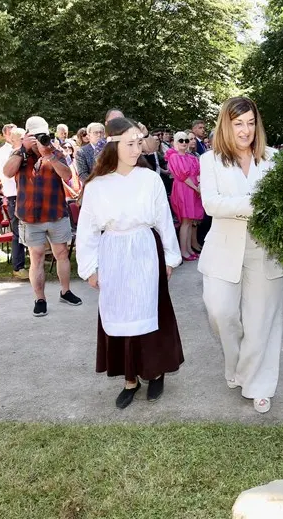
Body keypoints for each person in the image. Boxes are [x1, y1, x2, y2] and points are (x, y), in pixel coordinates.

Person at [77, 116, 183, 408]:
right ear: (113, 145)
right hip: (113, 253)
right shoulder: (97, 185)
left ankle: (155, 371)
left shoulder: (149, 179)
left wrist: (171, 257)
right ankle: (130, 378)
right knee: (119, 313)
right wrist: (89, 268)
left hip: (145, 250)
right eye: (130, 144)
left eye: (139, 143)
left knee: (150, 310)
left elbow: (163, 219)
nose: (137, 149)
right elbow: (87, 228)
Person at [199, 97, 283, 414]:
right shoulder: (210, 160)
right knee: (221, 312)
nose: (245, 130)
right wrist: (256, 205)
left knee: (261, 321)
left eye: (250, 122)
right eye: (238, 123)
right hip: (223, 247)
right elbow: (212, 204)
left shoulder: (273, 159)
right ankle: (236, 366)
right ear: (226, 125)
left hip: (266, 249)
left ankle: (259, 383)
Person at [3, 116, 83, 317]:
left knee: (62, 254)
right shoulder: (19, 153)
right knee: (36, 257)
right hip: (30, 216)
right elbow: (7, 172)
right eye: (35, 135)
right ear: (27, 135)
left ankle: (66, 291)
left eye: (43, 135)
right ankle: (40, 299)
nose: (40, 139)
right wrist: (23, 149)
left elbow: (67, 176)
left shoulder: (55, 151)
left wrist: (50, 155)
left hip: (55, 213)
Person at [165, 131, 204, 260]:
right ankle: (184, 251)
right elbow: (183, 176)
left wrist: (198, 185)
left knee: (190, 221)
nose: (184, 143)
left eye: (186, 140)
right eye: (181, 140)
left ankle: (188, 249)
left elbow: (198, 172)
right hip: (183, 189)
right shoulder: (174, 157)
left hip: (192, 189)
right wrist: (195, 187)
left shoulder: (191, 157)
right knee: (185, 221)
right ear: (175, 142)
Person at [0, 126, 28, 279]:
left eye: (25, 138)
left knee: (28, 231)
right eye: (21, 138)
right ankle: (18, 267)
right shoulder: (8, 154)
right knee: (18, 232)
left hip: (25, 195)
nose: (24, 141)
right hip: (14, 197)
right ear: (12, 139)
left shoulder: (26, 153)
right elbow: (7, 175)